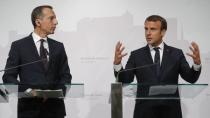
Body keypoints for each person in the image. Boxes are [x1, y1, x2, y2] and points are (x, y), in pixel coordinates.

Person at [113, 15, 201, 118]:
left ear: (163, 32)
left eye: (153, 29)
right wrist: (117, 64)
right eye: (146, 29)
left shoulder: (176, 54)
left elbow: (191, 78)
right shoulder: (136, 55)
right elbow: (126, 80)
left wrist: (196, 64)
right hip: (144, 113)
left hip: (170, 112)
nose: (148, 33)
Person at [2, 5, 72, 118]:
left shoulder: (58, 47)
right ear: (38, 22)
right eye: (51, 18)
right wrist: (29, 91)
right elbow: (8, 77)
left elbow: (66, 75)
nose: (56, 22)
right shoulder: (19, 46)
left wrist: (56, 93)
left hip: (54, 110)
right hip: (29, 110)